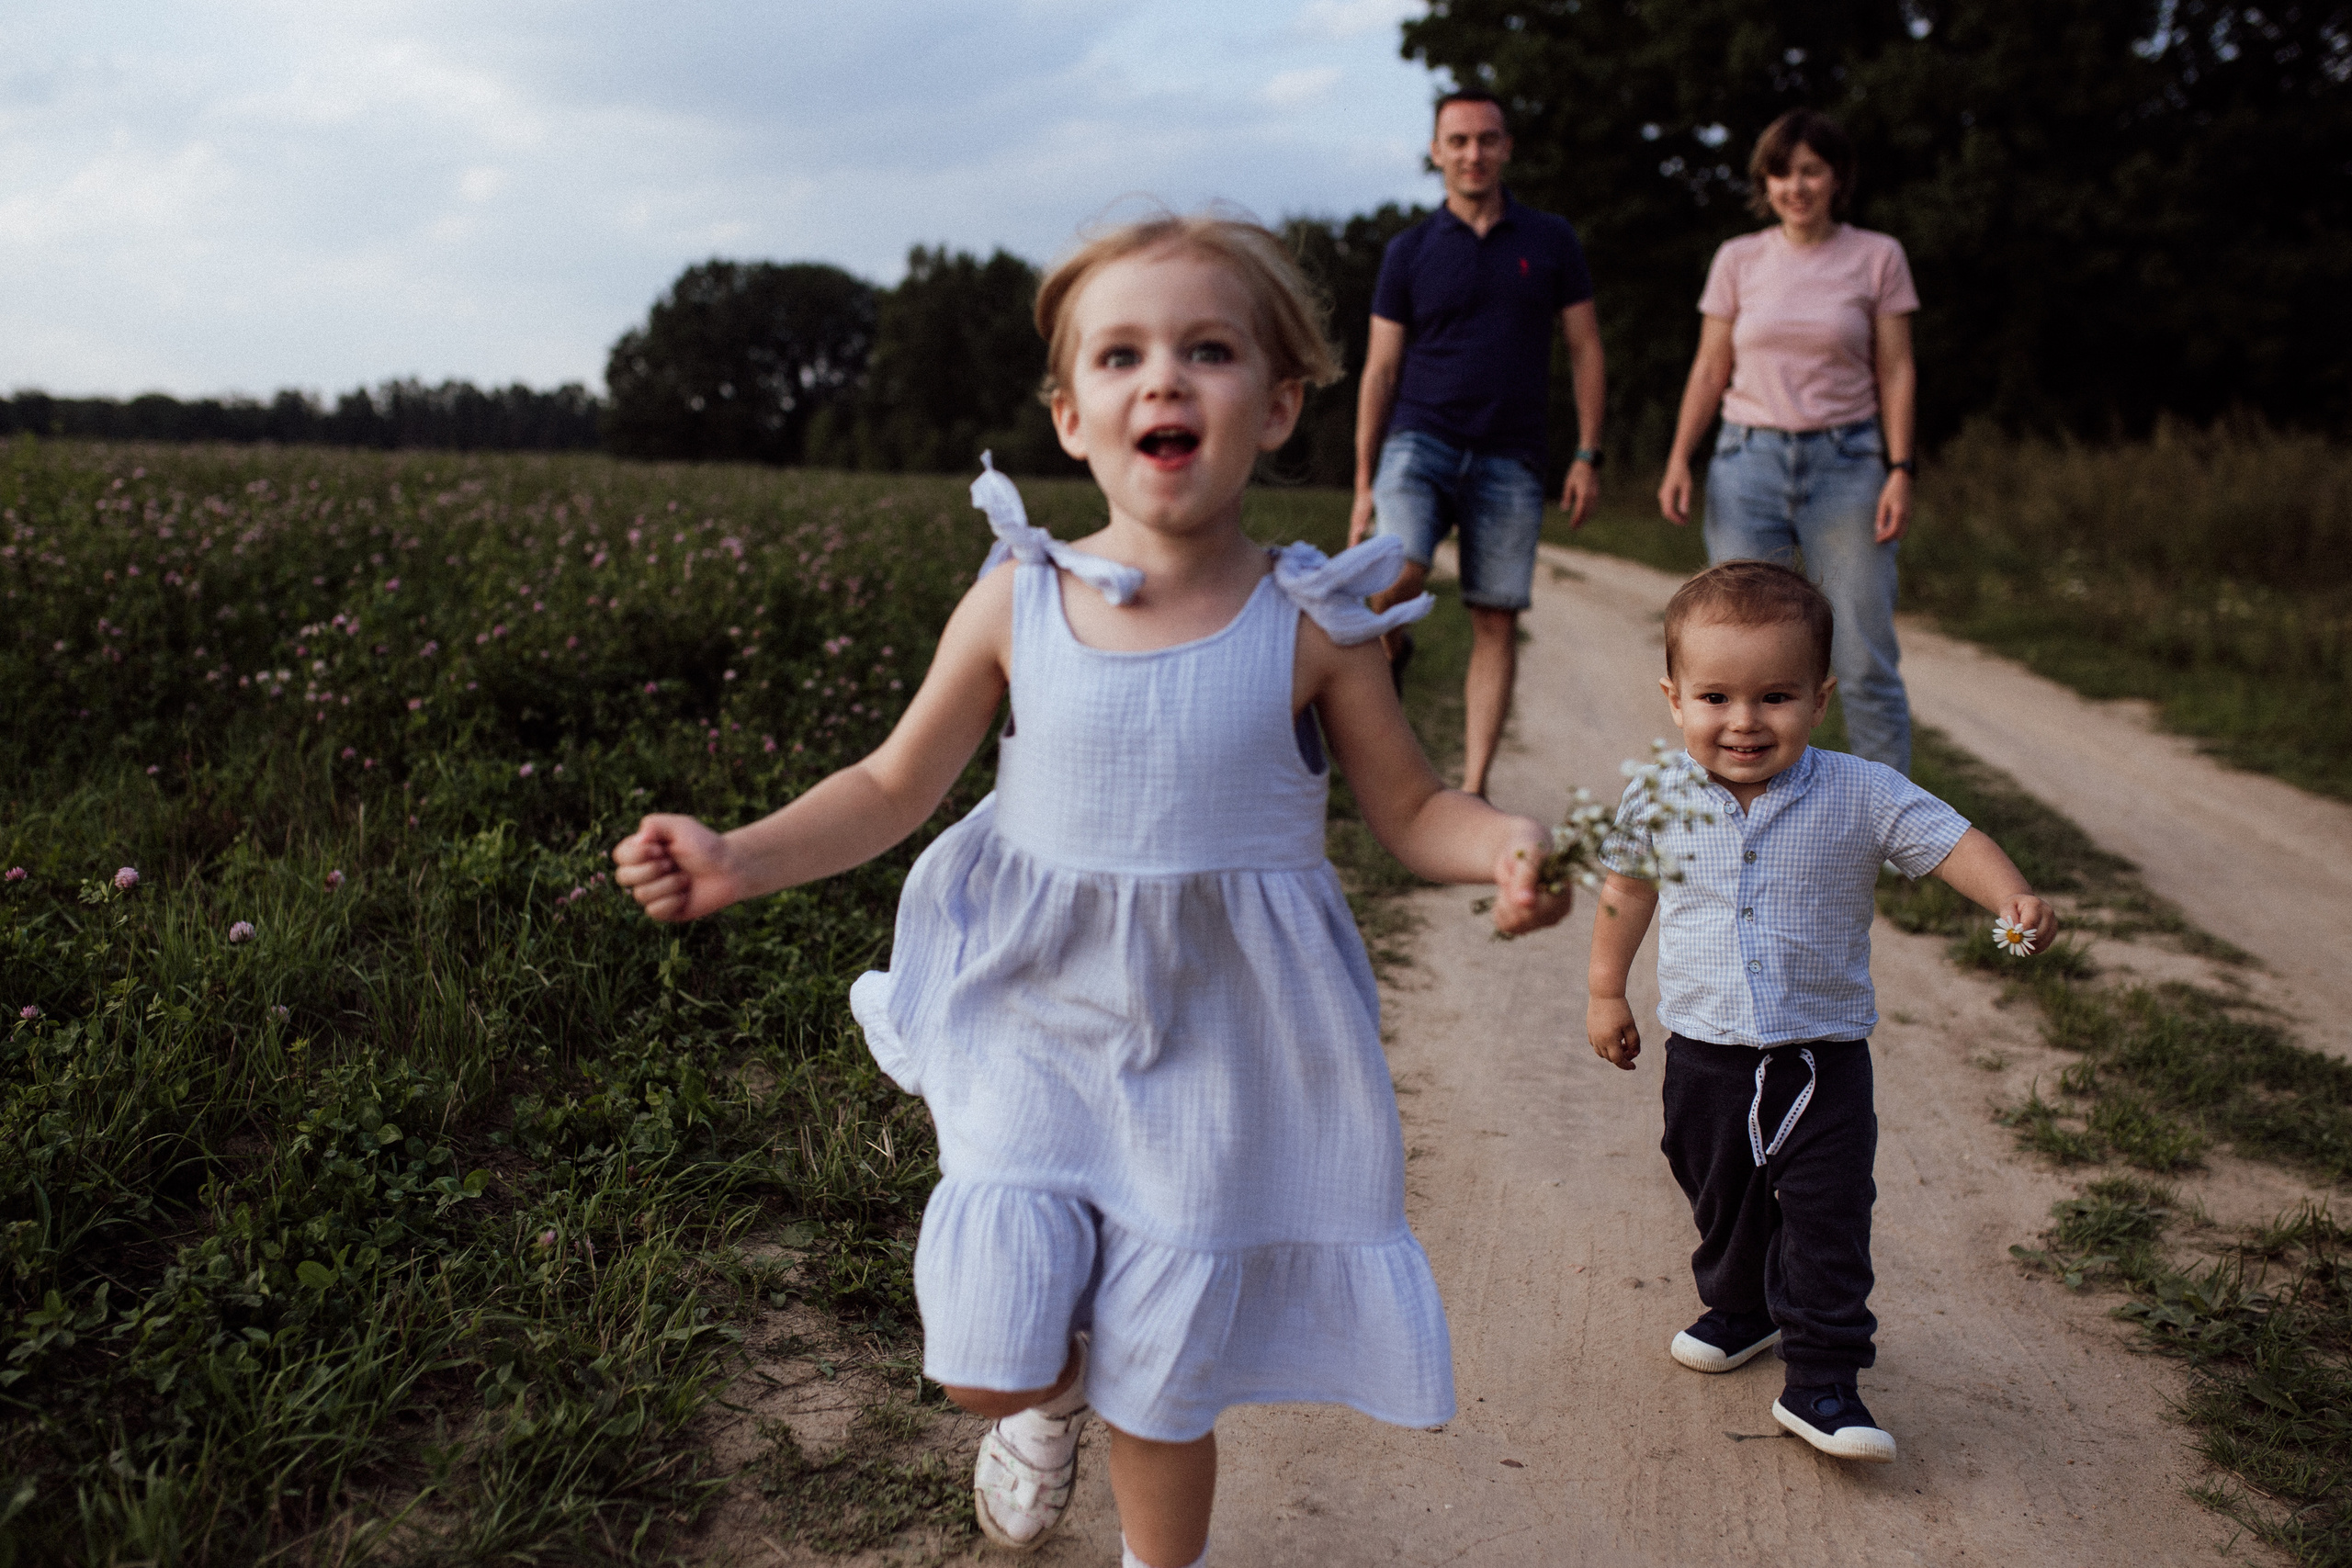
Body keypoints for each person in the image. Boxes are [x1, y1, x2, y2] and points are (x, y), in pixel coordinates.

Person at [613, 213, 1572, 1568]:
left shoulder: (1313, 623)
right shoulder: (1020, 595)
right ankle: (1040, 1395)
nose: (1162, 380)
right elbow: (892, 784)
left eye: (1209, 349)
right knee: (985, 1360)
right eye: (1121, 355)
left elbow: (1413, 811)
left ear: (1282, 404)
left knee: (1165, 1376)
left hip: (1220, 1037)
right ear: (1072, 417)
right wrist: (741, 854)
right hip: (1036, 1004)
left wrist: (1505, 844)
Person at [1583, 560, 2056, 1462]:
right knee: (1716, 1194)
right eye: (1715, 696)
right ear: (1673, 697)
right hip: (1706, 1054)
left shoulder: (1861, 793)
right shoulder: (1657, 797)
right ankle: (1742, 1305)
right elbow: (1626, 888)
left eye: (1775, 696)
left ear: (1820, 696)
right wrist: (1606, 989)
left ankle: (1823, 1381)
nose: (1744, 721)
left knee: (1826, 1211)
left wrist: (2011, 897)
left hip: (1822, 1058)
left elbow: (1951, 840)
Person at [1347, 88, 1606, 798]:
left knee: (1495, 615)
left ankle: (1475, 785)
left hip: (1511, 454)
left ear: (1506, 148)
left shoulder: (1550, 240)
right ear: (1435, 152)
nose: (1473, 154)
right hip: (1419, 439)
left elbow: (1585, 348)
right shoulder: (1408, 251)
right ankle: (1389, 650)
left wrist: (1587, 452)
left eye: (1487, 139)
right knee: (1395, 571)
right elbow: (1381, 368)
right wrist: (1364, 479)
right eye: (1457, 141)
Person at [1657, 108, 1921, 774]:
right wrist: (1679, 457)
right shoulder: (1739, 259)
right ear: (1764, 183)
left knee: (1861, 654)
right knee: (1734, 648)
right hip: (1747, 463)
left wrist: (1900, 468)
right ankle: (1735, 809)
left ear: (1837, 178)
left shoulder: (1877, 256)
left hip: (1849, 465)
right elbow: (1710, 367)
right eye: (1780, 172)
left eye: (1810, 170)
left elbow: (1896, 369)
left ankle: (1898, 828)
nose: (1795, 185)